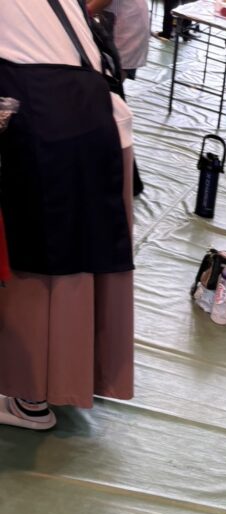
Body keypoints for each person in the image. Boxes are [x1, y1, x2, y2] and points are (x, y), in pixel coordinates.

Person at [0, 0, 134, 430]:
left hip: (47, 121)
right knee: (76, 261)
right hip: (94, 114)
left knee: (35, 265)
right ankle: (62, 380)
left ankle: (30, 395)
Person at [87, 0, 150, 79]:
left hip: (128, 27)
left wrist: (81, 13)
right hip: (125, 20)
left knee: (111, 76)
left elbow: (103, 2)